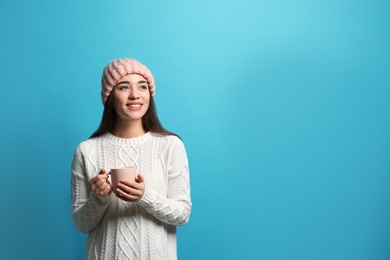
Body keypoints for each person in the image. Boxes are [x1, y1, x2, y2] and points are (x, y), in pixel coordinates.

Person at [71, 58, 192, 260]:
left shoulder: (170, 145)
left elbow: (182, 214)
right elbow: (81, 224)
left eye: (142, 87)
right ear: (110, 95)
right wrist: (99, 198)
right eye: (124, 87)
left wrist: (145, 196)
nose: (135, 95)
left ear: (150, 95)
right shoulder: (86, 150)